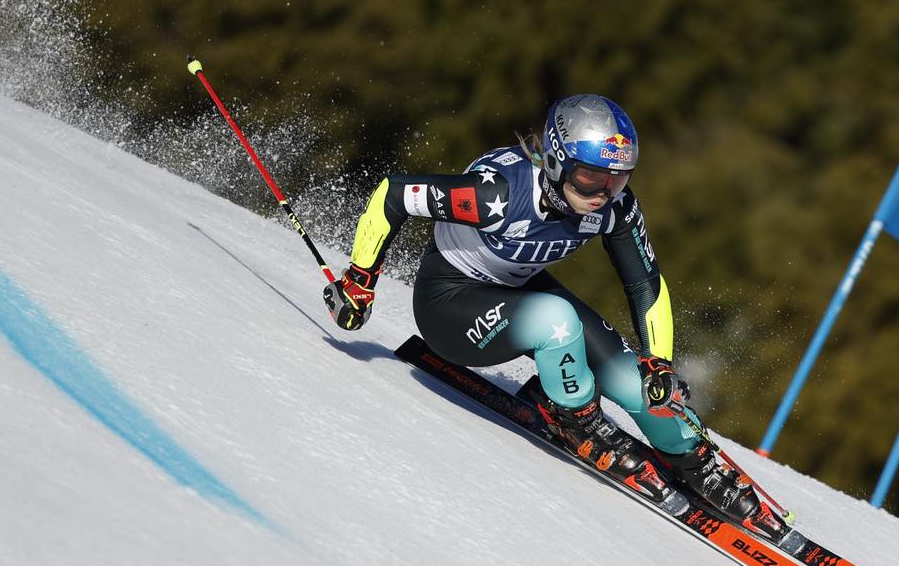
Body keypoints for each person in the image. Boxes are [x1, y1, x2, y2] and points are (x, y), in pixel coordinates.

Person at [324, 94, 774, 530]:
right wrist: (360, 280)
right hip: (450, 306)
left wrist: (660, 361)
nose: (602, 193)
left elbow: (645, 283)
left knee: (637, 379)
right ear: (556, 162)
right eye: (590, 178)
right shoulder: (497, 194)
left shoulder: (616, 208)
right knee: (557, 320)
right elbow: (395, 194)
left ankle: (691, 460)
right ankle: (577, 420)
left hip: (519, 285)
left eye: (616, 179)